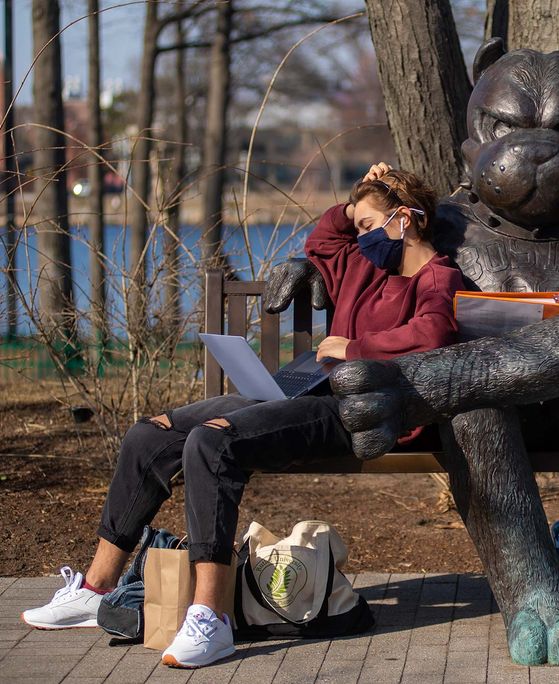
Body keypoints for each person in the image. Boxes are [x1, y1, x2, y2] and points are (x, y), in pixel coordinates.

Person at [21, 163, 463, 668]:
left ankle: (211, 620)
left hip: (356, 412)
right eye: (359, 227)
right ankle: (97, 588)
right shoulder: (365, 266)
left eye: (369, 226)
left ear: (406, 220)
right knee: (149, 437)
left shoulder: (438, 276)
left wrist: (354, 347)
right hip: (302, 391)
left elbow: (433, 336)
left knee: (213, 442)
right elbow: (323, 243)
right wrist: (354, 202)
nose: (362, 238)